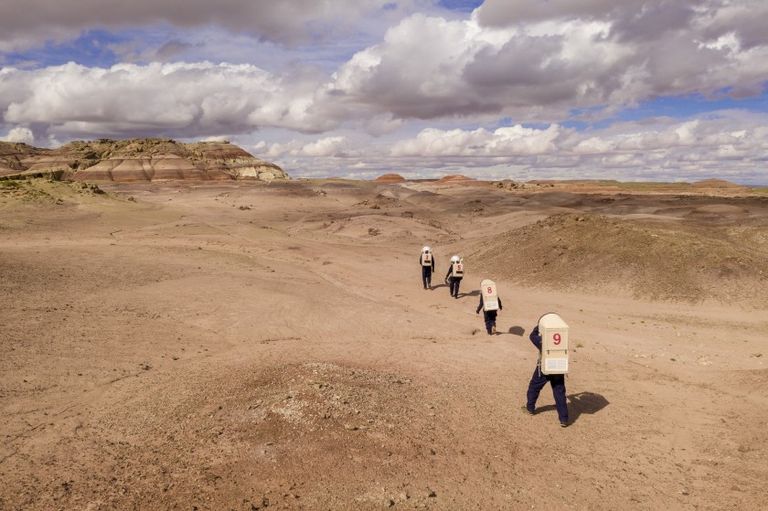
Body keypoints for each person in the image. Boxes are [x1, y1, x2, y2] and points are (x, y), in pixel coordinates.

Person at [525, 324, 569, 427]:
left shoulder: (542, 341)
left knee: (534, 387)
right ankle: (564, 419)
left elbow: (532, 336)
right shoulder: (563, 340)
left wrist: (538, 327)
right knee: (559, 392)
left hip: (545, 367)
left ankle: (530, 408)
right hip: (558, 367)